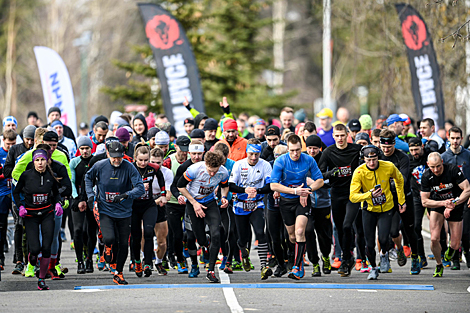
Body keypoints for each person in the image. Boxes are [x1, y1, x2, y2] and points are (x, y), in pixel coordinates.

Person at [84, 141, 145, 285]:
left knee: (124, 243)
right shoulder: (100, 165)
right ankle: (107, 249)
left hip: (124, 211)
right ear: (107, 154)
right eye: (114, 157)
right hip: (105, 210)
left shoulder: (129, 167)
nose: (117, 160)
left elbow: (140, 188)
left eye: (120, 156)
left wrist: (126, 195)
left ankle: (119, 273)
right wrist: (90, 196)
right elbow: (87, 177)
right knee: (110, 238)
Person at [271, 134, 324, 280]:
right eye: (292, 150)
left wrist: (308, 190)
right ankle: (297, 259)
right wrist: (294, 191)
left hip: (302, 201)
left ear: (302, 148)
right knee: (292, 236)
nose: (295, 154)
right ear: (287, 149)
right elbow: (273, 185)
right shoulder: (281, 161)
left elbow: (320, 180)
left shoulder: (308, 159)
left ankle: (297, 266)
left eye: (298, 150)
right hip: (286, 201)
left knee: (300, 231)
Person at [350, 145, 406, 280]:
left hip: (386, 208)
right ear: (363, 159)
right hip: (368, 210)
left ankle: (384, 254)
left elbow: (400, 180)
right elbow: (353, 196)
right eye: (368, 160)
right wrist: (368, 195)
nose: (372, 163)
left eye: (374, 159)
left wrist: (401, 200)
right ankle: (374, 268)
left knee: (383, 238)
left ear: (378, 157)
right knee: (369, 243)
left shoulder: (388, 166)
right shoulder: (359, 172)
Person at [13, 148, 63, 290]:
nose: (40, 163)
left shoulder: (51, 176)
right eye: (37, 160)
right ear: (33, 162)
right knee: (35, 248)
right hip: (31, 215)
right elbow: (16, 193)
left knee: (46, 246)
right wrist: (20, 207)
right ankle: (32, 258)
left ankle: (41, 279)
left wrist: (58, 203)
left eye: (42, 160)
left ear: (47, 161)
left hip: (47, 214)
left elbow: (56, 193)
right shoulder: (26, 176)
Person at [177, 151, 230, 283]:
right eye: (210, 171)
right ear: (205, 164)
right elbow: (180, 186)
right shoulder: (195, 169)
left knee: (216, 234)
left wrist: (223, 197)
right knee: (200, 239)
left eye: (215, 171)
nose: (212, 174)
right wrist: (194, 203)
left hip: (210, 202)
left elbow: (224, 186)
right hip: (193, 201)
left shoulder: (223, 172)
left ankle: (211, 270)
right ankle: (205, 244)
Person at [318, 123, 362, 277]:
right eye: (336, 136)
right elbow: (320, 174)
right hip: (336, 193)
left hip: (353, 193)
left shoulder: (356, 150)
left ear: (347, 134)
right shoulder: (329, 152)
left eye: (342, 135)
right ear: (333, 137)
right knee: (340, 227)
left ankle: (347, 257)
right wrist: (332, 173)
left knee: (347, 225)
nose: (340, 138)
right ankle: (347, 257)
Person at [421, 152, 470, 277]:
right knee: (434, 238)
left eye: (438, 166)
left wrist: (454, 203)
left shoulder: (452, 170)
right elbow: (424, 201)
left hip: (455, 204)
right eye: (433, 167)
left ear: (442, 162)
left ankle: (451, 250)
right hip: (438, 204)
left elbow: (467, 189)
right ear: (428, 165)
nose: (436, 170)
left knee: (455, 244)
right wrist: (443, 203)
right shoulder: (426, 175)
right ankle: (439, 264)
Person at [229, 138, 273, 279]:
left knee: (260, 233)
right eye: (251, 154)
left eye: (257, 155)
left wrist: (257, 191)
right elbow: (231, 185)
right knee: (243, 238)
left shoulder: (265, 165)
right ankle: (244, 254)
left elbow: (269, 186)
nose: (254, 158)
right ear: (247, 152)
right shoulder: (238, 165)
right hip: (240, 205)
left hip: (256, 205)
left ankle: (263, 266)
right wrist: (245, 189)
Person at [379, 129, 421, 275]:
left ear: (394, 144)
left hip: (404, 197)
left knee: (410, 230)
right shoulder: (378, 156)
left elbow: (400, 180)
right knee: (392, 231)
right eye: (383, 147)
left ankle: (415, 257)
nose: (386, 150)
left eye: (389, 147)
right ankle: (398, 249)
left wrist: (386, 181)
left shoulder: (402, 157)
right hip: (387, 199)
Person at [168, 140, 204, 277]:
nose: (196, 157)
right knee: (183, 236)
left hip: (201, 204)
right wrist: (178, 196)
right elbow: (174, 186)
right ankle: (187, 262)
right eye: (193, 154)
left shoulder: (208, 165)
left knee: (202, 234)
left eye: (199, 154)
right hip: (183, 204)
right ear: (189, 153)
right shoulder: (184, 167)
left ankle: (205, 253)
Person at [131, 143, 166, 277]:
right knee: (135, 236)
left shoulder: (153, 168)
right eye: (140, 160)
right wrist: (138, 187)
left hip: (148, 205)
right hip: (134, 206)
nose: (143, 163)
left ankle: (147, 263)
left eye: (146, 160)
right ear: (135, 158)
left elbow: (161, 179)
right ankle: (137, 261)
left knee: (149, 232)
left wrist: (163, 194)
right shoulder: (130, 168)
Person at [4, 125, 36, 274]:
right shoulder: (15, 150)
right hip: (17, 193)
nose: (30, 142)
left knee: (31, 228)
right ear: (23, 138)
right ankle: (18, 260)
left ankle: (31, 259)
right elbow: (7, 170)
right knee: (18, 226)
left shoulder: (37, 150)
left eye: (32, 139)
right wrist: (20, 169)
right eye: (27, 139)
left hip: (33, 194)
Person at [441, 126, 470, 270]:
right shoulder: (444, 157)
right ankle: (455, 258)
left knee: (466, 231)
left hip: (466, 196)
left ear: (462, 138)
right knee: (452, 230)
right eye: (452, 138)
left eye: (458, 138)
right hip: (450, 198)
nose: (455, 141)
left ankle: (466, 251)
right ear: (448, 138)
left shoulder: (468, 155)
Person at [304, 135, 332, 276]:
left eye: (315, 148)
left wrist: (315, 183)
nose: (312, 151)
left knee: (324, 235)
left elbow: (330, 180)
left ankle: (326, 257)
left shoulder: (325, 158)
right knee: (308, 232)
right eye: (309, 148)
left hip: (323, 202)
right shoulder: (302, 158)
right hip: (306, 203)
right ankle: (315, 263)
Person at [70, 137, 97, 274]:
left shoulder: (95, 161)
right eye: (82, 149)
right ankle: (80, 260)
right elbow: (72, 182)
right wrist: (77, 198)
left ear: (91, 148)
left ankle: (89, 259)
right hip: (77, 198)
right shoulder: (74, 162)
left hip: (92, 198)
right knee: (78, 230)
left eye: (87, 148)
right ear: (78, 149)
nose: (85, 151)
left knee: (91, 231)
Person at [408, 137, 431, 268]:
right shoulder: (408, 160)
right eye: (411, 150)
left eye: (416, 149)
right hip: (417, 197)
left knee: (438, 228)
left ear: (422, 146)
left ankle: (446, 252)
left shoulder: (429, 155)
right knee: (416, 227)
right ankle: (421, 256)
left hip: (433, 196)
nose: (414, 153)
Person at [0, 129, 16, 269]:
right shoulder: (0, 153)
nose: (11, 147)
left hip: (17, 192)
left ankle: (19, 258)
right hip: (3, 193)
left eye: (13, 143)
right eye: (8, 144)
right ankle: (1, 258)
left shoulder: (18, 151)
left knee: (20, 224)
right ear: (3, 141)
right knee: (2, 224)